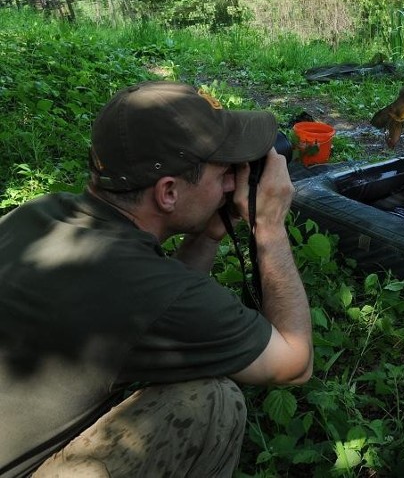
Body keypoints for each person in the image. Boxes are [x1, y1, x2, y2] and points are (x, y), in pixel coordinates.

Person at [0, 81, 313, 476]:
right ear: (168, 193)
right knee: (212, 402)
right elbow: (294, 362)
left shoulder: (37, 214)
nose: (234, 183)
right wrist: (269, 227)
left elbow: (150, 307)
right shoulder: (145, 288)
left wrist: (209, 233)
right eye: (224, 172)